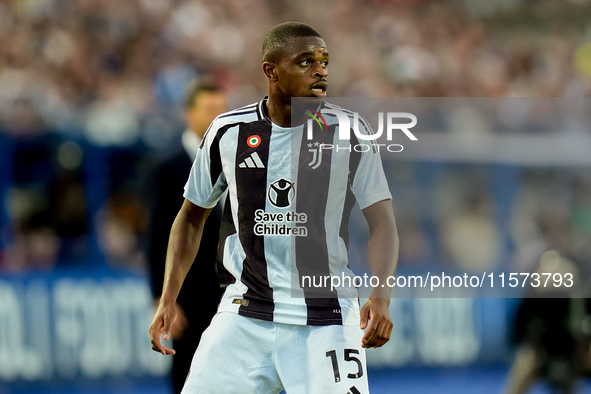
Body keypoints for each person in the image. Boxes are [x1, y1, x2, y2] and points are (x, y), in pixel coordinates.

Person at [149, 22, 399, 393]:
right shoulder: (227, 132)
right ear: (271, 70)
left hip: (326, 318)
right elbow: (189, 218)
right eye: (305, 61)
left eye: (324, 62)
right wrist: (168, 297)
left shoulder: (350, 132)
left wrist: (380, 297)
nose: (320, 71)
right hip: (245, 314)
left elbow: (383, 224)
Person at [145, 80, 226, 393]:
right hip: (189, 293)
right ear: (188, 114)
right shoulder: (168, 167)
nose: (216, 117)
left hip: (233, 290)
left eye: (221, 110)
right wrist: (163, 298)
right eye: (209, 110)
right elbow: (156, 237)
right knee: (189, 372)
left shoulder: (237, 161)